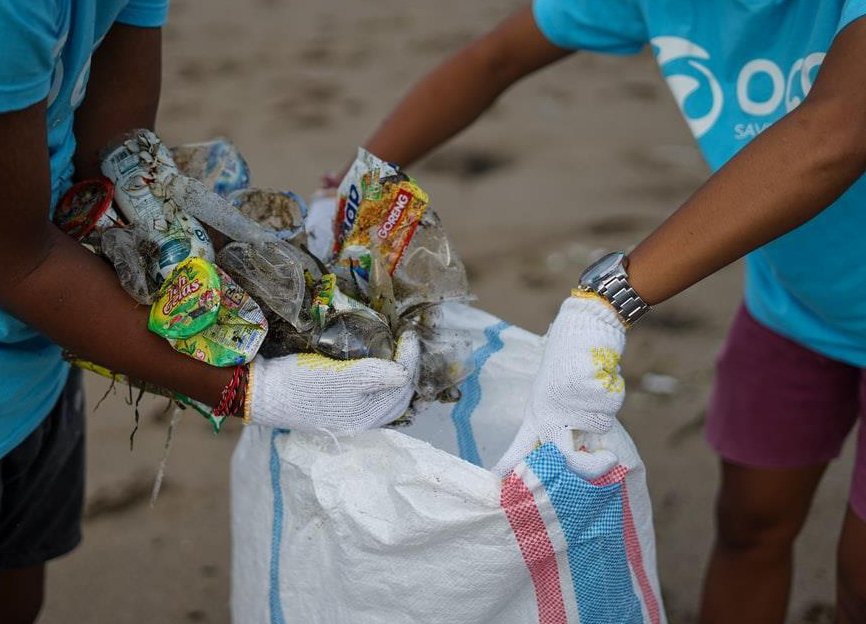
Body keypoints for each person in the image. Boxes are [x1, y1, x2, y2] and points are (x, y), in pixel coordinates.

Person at [0, 2, 419, 622]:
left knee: (18, 591)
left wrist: (268, 271)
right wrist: (249, 387)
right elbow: (13, 258)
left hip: (41, 345)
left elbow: (114, 157)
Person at [356, 2, 866, 622]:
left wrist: (604, 302)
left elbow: (840, 126)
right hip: (790, 310)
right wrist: (358, 185)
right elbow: (495, 57)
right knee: (749, 523)